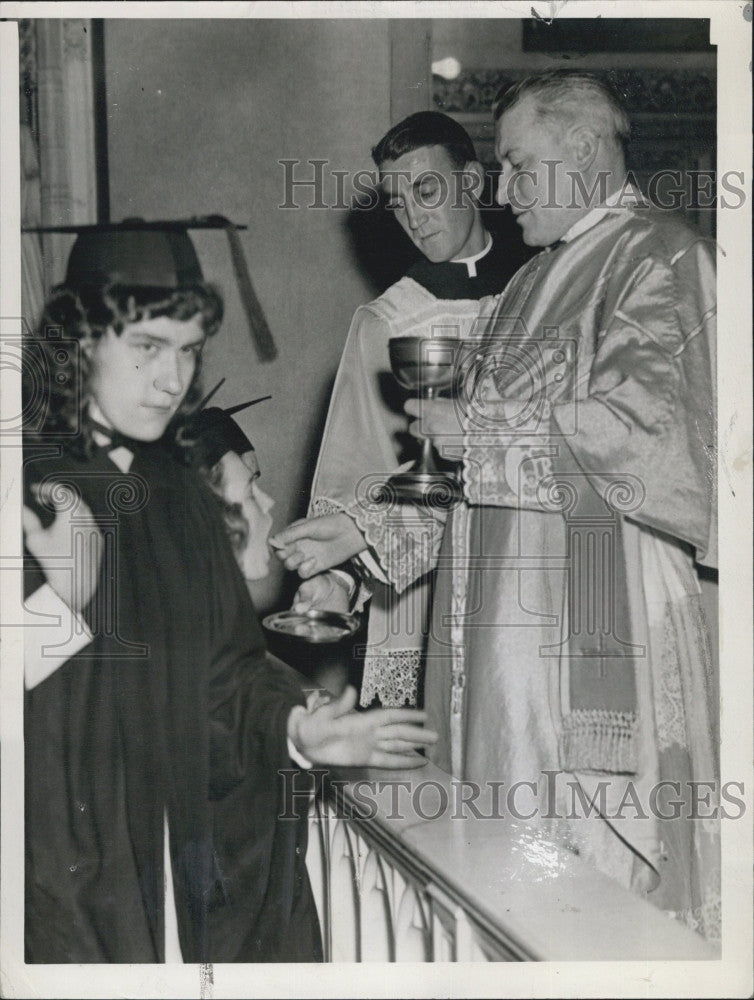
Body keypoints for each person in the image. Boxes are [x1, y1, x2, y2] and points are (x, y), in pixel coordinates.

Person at [277, 72, 720, 944]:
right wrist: (364, 532)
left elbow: (656, 440)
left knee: (595, 896)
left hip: (595, 626)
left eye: (518, 165)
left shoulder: (660, 257)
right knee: (503, 888)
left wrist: (477, 428)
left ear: (585, 152)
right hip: (492, 646)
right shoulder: (529, 286)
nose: (503, 187)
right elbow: (473, 481)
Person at [21, 226, 437, 964]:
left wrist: (294, 730)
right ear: (81, 342)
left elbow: (226, 676)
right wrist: (61, 603)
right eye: (146, 348)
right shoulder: (21, 478)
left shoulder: (180, 494)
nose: (171, 381)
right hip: (53, 869)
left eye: (187, 352)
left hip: (172, 867)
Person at [273, 111, 529, 708]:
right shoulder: (387, 322)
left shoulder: (539, 290)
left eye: (427, 189)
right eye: (397, 201)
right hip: (424, 592)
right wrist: (333, 578)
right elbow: (353, 480)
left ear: (471, 181)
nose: (413, 216)